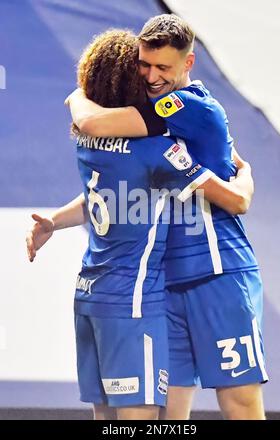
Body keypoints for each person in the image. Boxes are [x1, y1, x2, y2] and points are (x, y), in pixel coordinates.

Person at [27, 29, 254, 421]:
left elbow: (108, 163)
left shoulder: (101, 140)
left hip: (129, 287)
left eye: (160, 67)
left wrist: (79, 98)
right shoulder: (156, 149)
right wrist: (245, 176)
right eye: (142, 67)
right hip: (144, 293)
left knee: (121, 422)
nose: (150, 77)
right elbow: (232, 198)